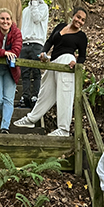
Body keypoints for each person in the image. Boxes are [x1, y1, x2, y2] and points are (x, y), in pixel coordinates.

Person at [14, 7, 88, 136]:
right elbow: (49, 42)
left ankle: (63, 129)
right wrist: (43, 52)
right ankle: (31, 119)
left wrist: (76, 63)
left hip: (67, 62)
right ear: (73, 15)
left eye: (83, 20)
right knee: (45, 92)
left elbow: (82, 56)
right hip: (53, 63)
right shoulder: (61, 26)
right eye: (78, 17)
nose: (79, 21)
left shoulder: (81, 36)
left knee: (64, 94)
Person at [19, 0, 49, 109]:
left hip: (37, 44)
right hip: (25, 44)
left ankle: (35, 96)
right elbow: (22, 26)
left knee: (36, 72)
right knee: (25, 73)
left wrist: (36, 2)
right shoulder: (25, 10)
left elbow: (37, 19)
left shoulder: (43, 7)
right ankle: (25, 96)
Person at [0, 8, 22, 133]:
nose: (5, 21)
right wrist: (4, 52)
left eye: (8, 19)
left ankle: (5, 127)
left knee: (8, 100)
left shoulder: (16, 33)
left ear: (11, 21)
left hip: (12, 69)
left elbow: (16, 50)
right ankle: (6, 117)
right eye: (2, 18)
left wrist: (4, 53)